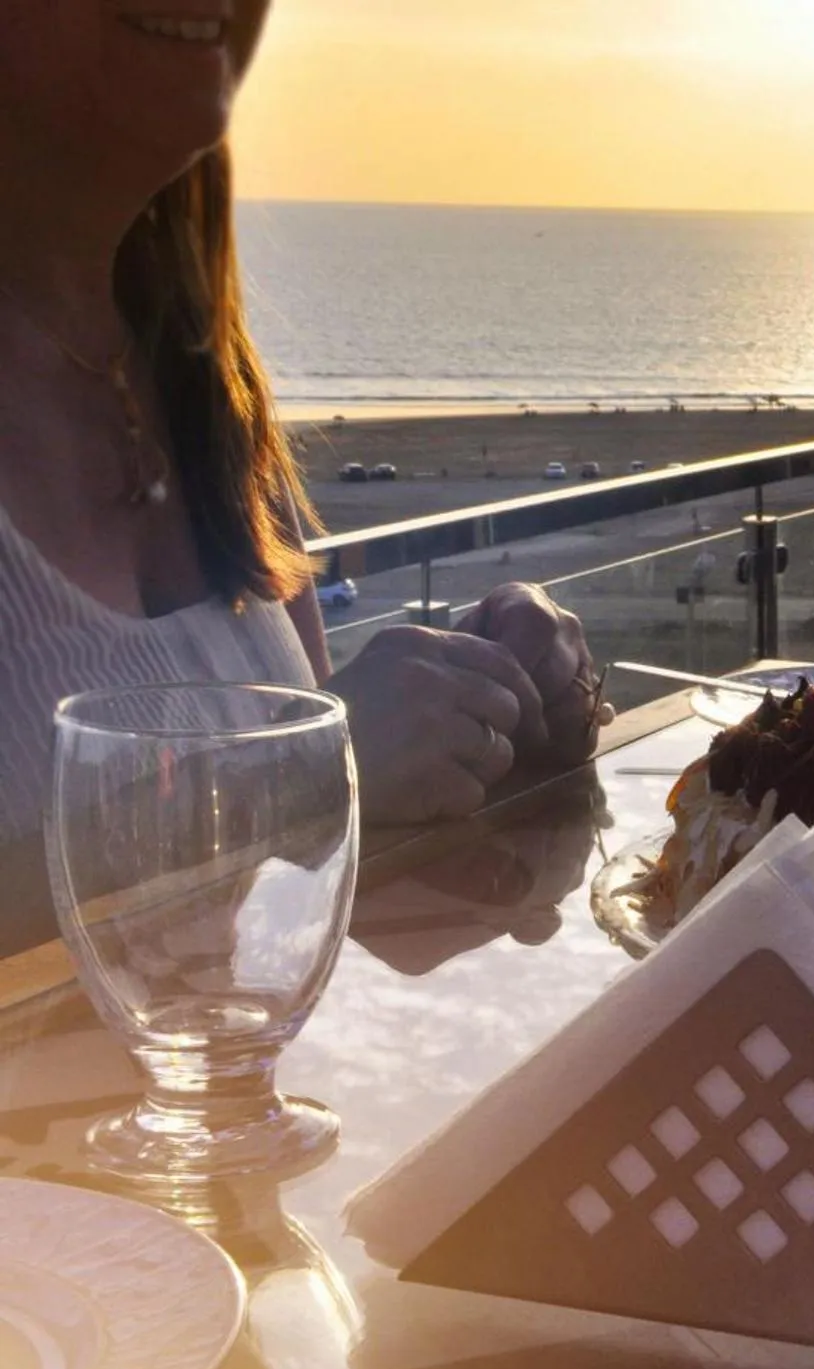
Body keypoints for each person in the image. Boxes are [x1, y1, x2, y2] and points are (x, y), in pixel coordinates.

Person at [0, 0, 605, 835]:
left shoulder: (203, 394)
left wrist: (489, 700)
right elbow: (293, 798)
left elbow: (303, 883)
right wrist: (310, 769)